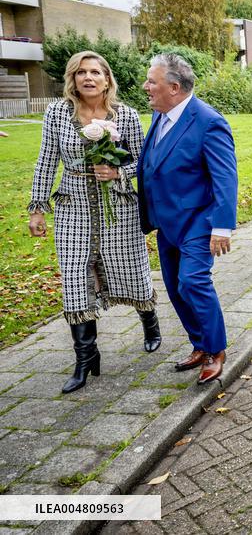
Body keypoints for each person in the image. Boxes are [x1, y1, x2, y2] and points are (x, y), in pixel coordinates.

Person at [28, 51, 159, 394]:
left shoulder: (126, 115)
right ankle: (86, 358)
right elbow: (45, 161)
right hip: (73, 208)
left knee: (131, 268)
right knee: (74, 277)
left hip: (118, 207)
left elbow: (145, 162)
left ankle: (150, 321)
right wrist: (37, 208)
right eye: (81, 72)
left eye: (95, 72)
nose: (88, 78)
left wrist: (118, 171)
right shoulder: (57, 114)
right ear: (72, 79)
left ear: (107, 79)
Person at [138, 53, 238, 384]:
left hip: (199, 218)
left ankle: (215, 350)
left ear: (175, 87)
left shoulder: (208, 121)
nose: (146, 86)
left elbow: (226, 178)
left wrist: (222, 227)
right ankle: (199, 343)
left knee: (192, 281)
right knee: (175, 288)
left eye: (152, 81)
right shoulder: (160, 115)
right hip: (167, 222)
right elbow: (152, 163)